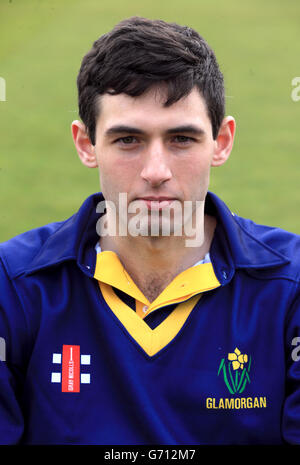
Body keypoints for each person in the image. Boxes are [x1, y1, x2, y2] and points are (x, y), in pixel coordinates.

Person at [0, 16, 299, 446]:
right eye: (128, 140)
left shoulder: (291, 288)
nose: (155, 172)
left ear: (221, 142)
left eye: (181, 139)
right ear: (86, 144)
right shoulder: (13, 286)